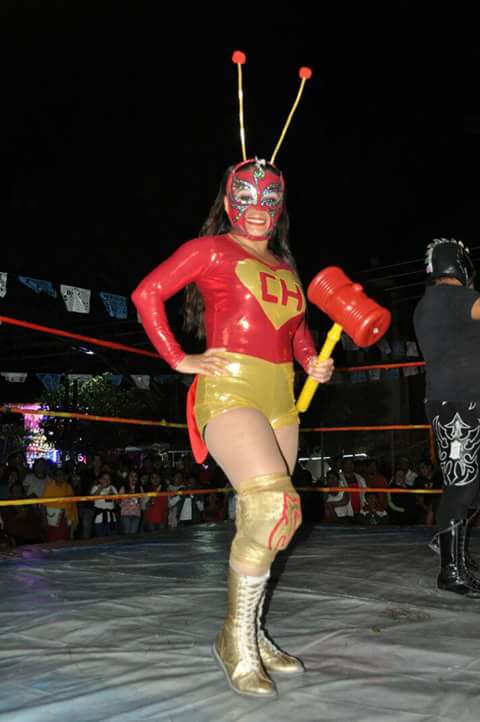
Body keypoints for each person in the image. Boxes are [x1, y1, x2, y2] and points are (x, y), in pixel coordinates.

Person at [132, 147, 333, 695]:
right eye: (245, 194)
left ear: (281, 204)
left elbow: (295, 330)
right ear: (228, 202)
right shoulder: (211, 249)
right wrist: (179, 358)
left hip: (281, 396)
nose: (258, 205)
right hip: (231, 386)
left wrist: (312, 360)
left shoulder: (286, 266)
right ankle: (235, 640)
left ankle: (250, 632)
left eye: (270, 196)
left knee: (273, 524)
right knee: (273, 505)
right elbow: (147, 293)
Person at [414, 237, 480, 598]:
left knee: (470, 482)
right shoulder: (450, 298)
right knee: (463, 481)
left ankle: (452, 550)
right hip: (457, 405)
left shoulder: (434, 303)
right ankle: (450, 570)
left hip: (459, 402)